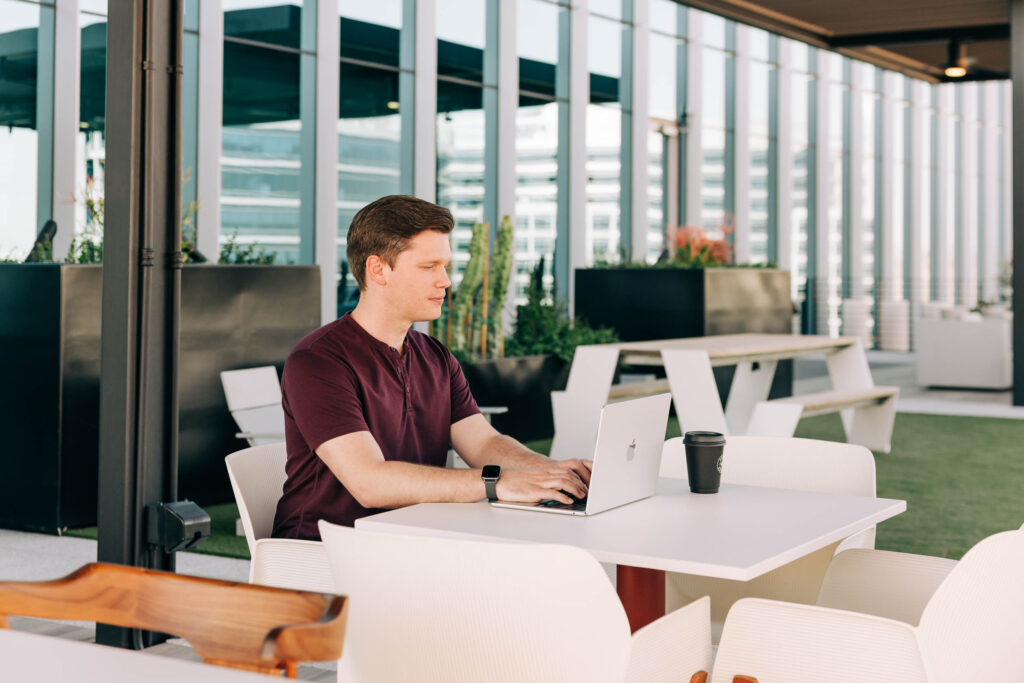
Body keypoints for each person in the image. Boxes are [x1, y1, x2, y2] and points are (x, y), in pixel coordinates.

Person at [272, 195, 591, 540]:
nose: (446, 281)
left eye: (446, 267)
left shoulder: (435, 355)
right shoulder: (318, 361)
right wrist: (496, 483)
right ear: (378, 269)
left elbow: (484, 444)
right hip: (329, 549)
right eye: (429, 267)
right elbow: (370, 482)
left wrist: (555, 473)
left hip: (416, 537)